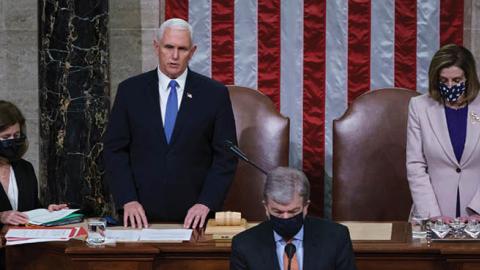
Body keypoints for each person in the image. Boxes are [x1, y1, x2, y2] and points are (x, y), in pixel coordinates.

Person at [103, 18, 237, 229]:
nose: (174, 56)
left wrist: (206, 203)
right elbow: (114, 150)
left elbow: (226, 157)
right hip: (140, 217)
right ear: (157, 47)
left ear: (192, 52)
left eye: (182, 49)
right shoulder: (130, 92)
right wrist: (127, 199)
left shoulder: (214, 95)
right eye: (169, 47)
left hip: (196, 219)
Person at [230, 167, 356, 270]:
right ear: (266, 207)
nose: (285, 217)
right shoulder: (244, 245)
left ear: (305, 207)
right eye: (277, 211)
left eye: (293, 211)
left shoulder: (336, 238)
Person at [407, 44, 480, 219]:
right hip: (432, 213)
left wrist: (477, 211)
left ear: (469, 78)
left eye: (456, 80)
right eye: (443, 80)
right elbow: (415, 165)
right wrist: (432, 214)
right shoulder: (419, 107)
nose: (450, 85)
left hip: (476, 214)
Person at [0, 100, 67, 225]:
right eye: (5, 137)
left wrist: (48, 213)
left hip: (24, 243)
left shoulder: (25, 168)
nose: (12, 141)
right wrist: (1, 216)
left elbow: (30, 210)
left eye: (16, 135)